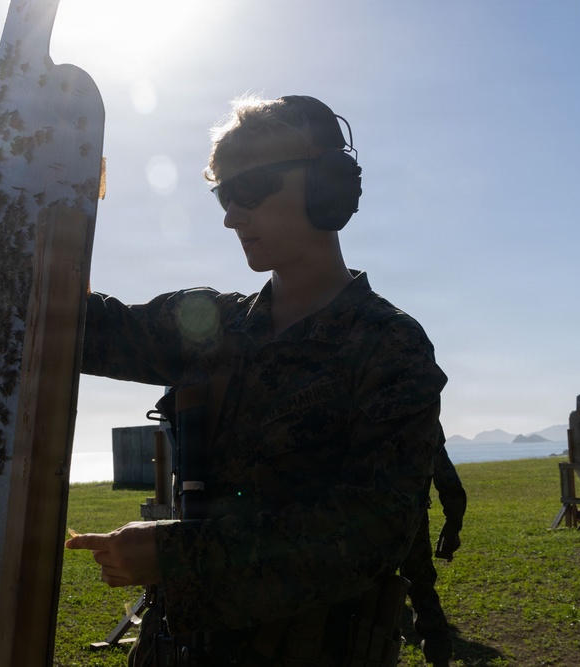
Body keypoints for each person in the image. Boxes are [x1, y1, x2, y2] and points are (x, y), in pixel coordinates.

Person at [66, 94, 448, 666]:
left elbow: (375, 531)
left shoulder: (387, 344)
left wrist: (175, 555)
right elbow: (79, 328)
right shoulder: (210, 326)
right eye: (224, 194)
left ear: (326, 186)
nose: (230, 215)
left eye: (250, 190)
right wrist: (59, 191)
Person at [399, 441, 467, 667]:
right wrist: (453, 524)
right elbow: (446, 477)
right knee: (422, 590)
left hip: (368, 522)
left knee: (366, 593)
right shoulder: (422, 414)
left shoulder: (360, 408)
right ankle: (439, 659)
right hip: (412, 519)